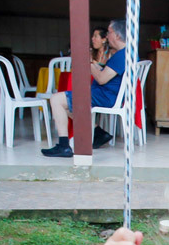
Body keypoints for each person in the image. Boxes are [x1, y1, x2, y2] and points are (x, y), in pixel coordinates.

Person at [42, 20, 128, 158]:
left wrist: (88, 61)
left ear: (117, 35)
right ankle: (97, 132)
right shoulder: (125, 54)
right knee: (66, 106)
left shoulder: (121, 55)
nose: (107, 35)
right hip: (107, 94)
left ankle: (64, 146)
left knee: (56, 99)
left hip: (105, 97)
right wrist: (94, 64)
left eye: (109, 32)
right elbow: (108, 73)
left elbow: (101, 79)